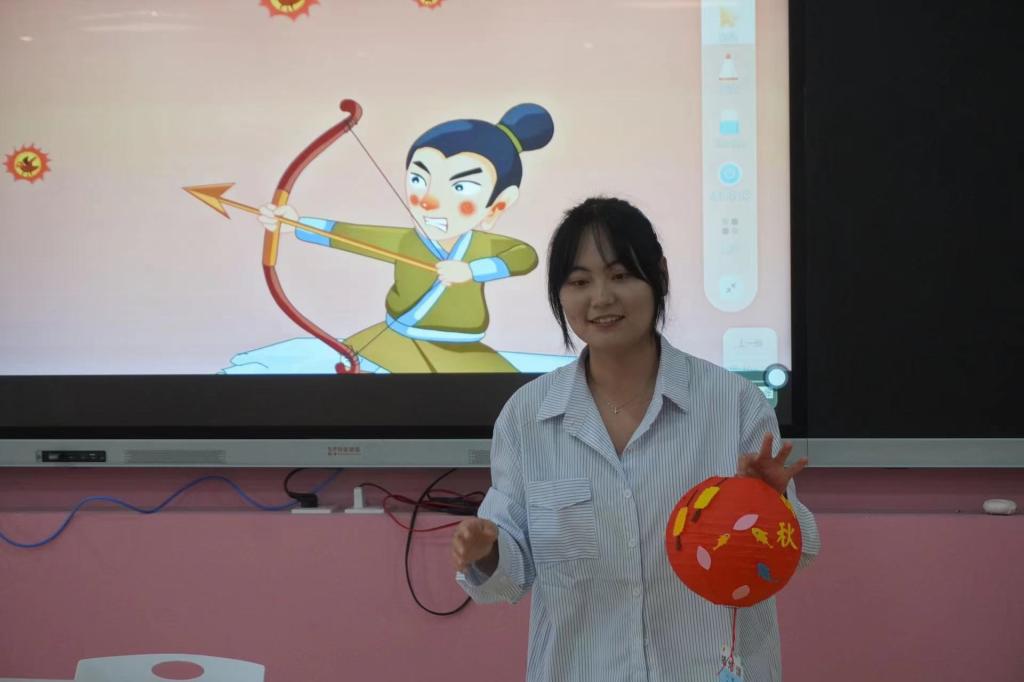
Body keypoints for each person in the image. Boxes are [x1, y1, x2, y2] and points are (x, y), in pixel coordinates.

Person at [450, 197, 819, 681]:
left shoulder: (734, 403)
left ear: (658, 275)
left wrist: (770, 506)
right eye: (579, 282)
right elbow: (507, 579)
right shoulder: (527, 417)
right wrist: (486, 550)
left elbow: (797, 555)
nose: (601, 298)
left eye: (621, 275)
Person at [258, 103, 553, 372]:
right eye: (418, 180)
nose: (428, 201)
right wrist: (294, 224)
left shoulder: (482, 246)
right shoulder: (405, 242)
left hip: (464, 350)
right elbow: (349, 235)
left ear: (497, 206)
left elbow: (524, 255)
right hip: (395, 341)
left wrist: (472, 270)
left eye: (460, 187)